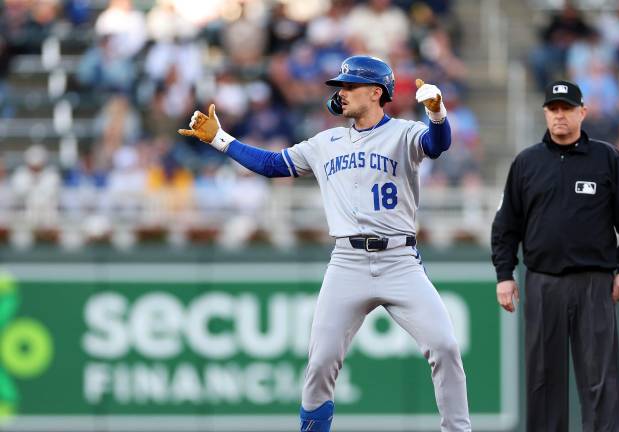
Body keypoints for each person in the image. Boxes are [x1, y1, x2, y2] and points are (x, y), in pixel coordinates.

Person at [178, 55, 472, 432]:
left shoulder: (403, 132)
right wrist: (221, 140)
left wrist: (437, 111)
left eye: (349, 86)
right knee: (320, 364)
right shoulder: (325, 142)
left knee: (445, 347)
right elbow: (272, 165)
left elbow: (438, 143)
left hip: (400, 259)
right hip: (347, 262)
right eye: (340, 86)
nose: (341, 92)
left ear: (376, 92)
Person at [490, 80, 619, 432]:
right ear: (545, 112)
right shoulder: (527, 163)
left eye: (567, 108)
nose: (560, 115)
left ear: (582, 112)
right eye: (553, 108)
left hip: (595, 282)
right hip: (543, 282)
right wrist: (504, 274)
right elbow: (506, 226)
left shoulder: (606, 158)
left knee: (600, 379)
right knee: (543, 379)